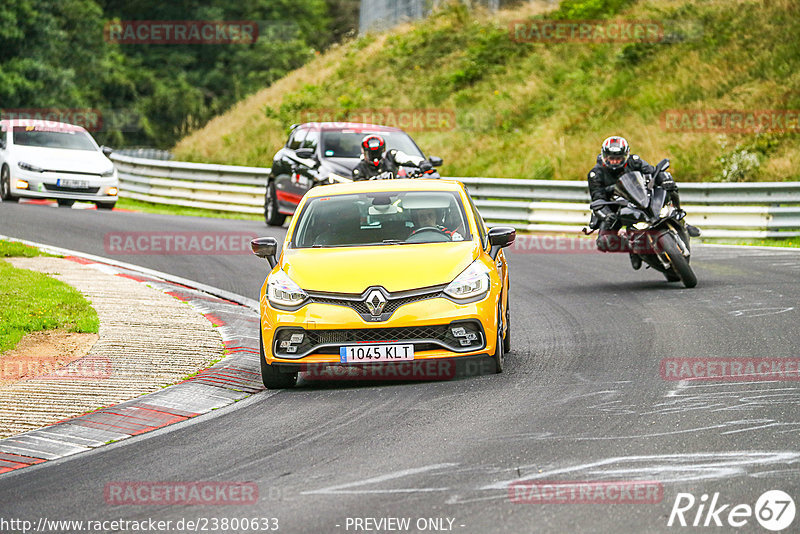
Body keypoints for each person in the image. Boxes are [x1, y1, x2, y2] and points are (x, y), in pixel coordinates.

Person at [587, 136, 683, 267]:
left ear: (625, 155)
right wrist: (607, 215)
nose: (615, 161)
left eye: (618, 158)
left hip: (642, 196)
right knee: (604, 242)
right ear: (604, 156)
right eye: (611, 158)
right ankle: (633, 249)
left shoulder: (634, 161)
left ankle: (679, 214)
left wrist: (664, 179)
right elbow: (598, 198)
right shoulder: (595, 174)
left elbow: (653, 171)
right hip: (615, 206)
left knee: (669, 186)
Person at [352, 134, 433, 180]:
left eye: (377, 153)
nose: (374, 157)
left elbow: (407, 158)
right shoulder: (359, 170)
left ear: (383, 150)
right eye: (371, 153)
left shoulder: (391, 156)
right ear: (364, 152)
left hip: (398, 193)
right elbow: (361, 191)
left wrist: (422, 163)